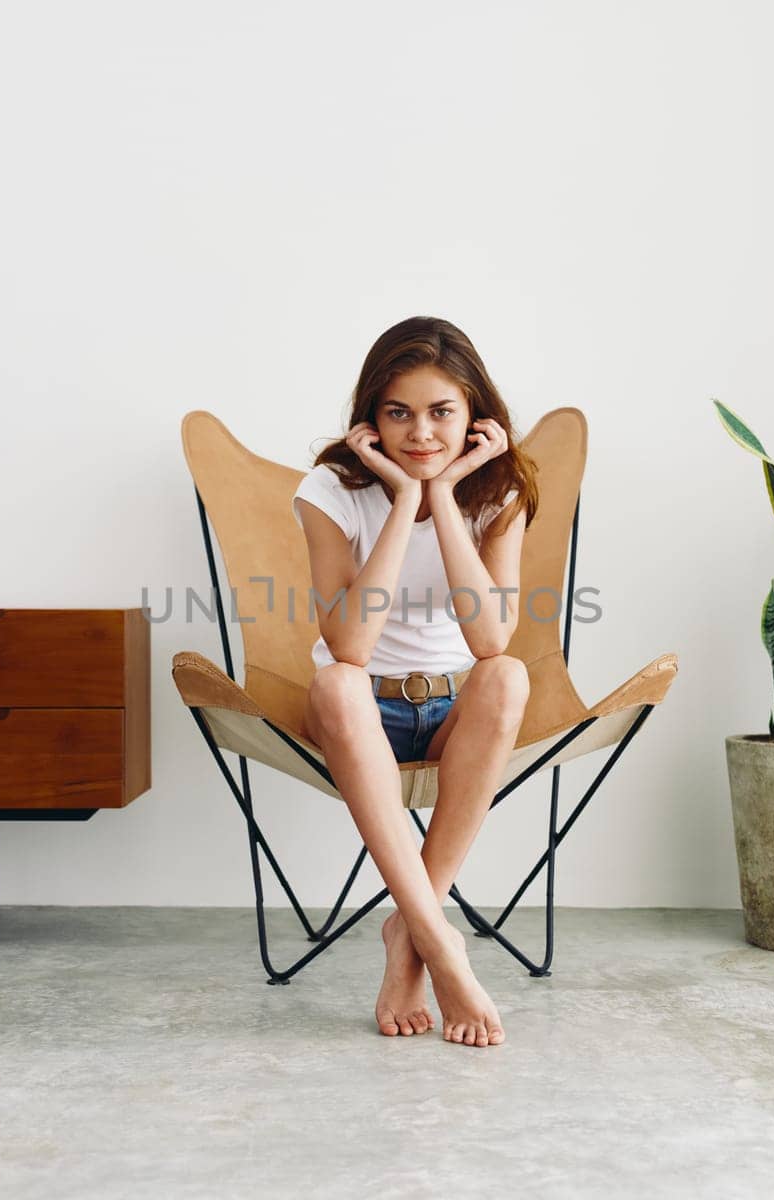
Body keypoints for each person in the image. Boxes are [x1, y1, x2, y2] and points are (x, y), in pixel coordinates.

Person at [292, 315, 540, 1048]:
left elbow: (490, 637)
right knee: (337, 681)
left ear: (474, 416)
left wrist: (448, 496)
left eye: (442, 412)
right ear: (371, 417)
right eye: (398, 412)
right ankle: (445, 950)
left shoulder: (500, 494)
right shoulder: (329, 491)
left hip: (456, 706)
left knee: (507, 674)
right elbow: (352, 644)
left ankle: (410, 934)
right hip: (358, 713)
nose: (421, 433)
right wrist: (404, 500)